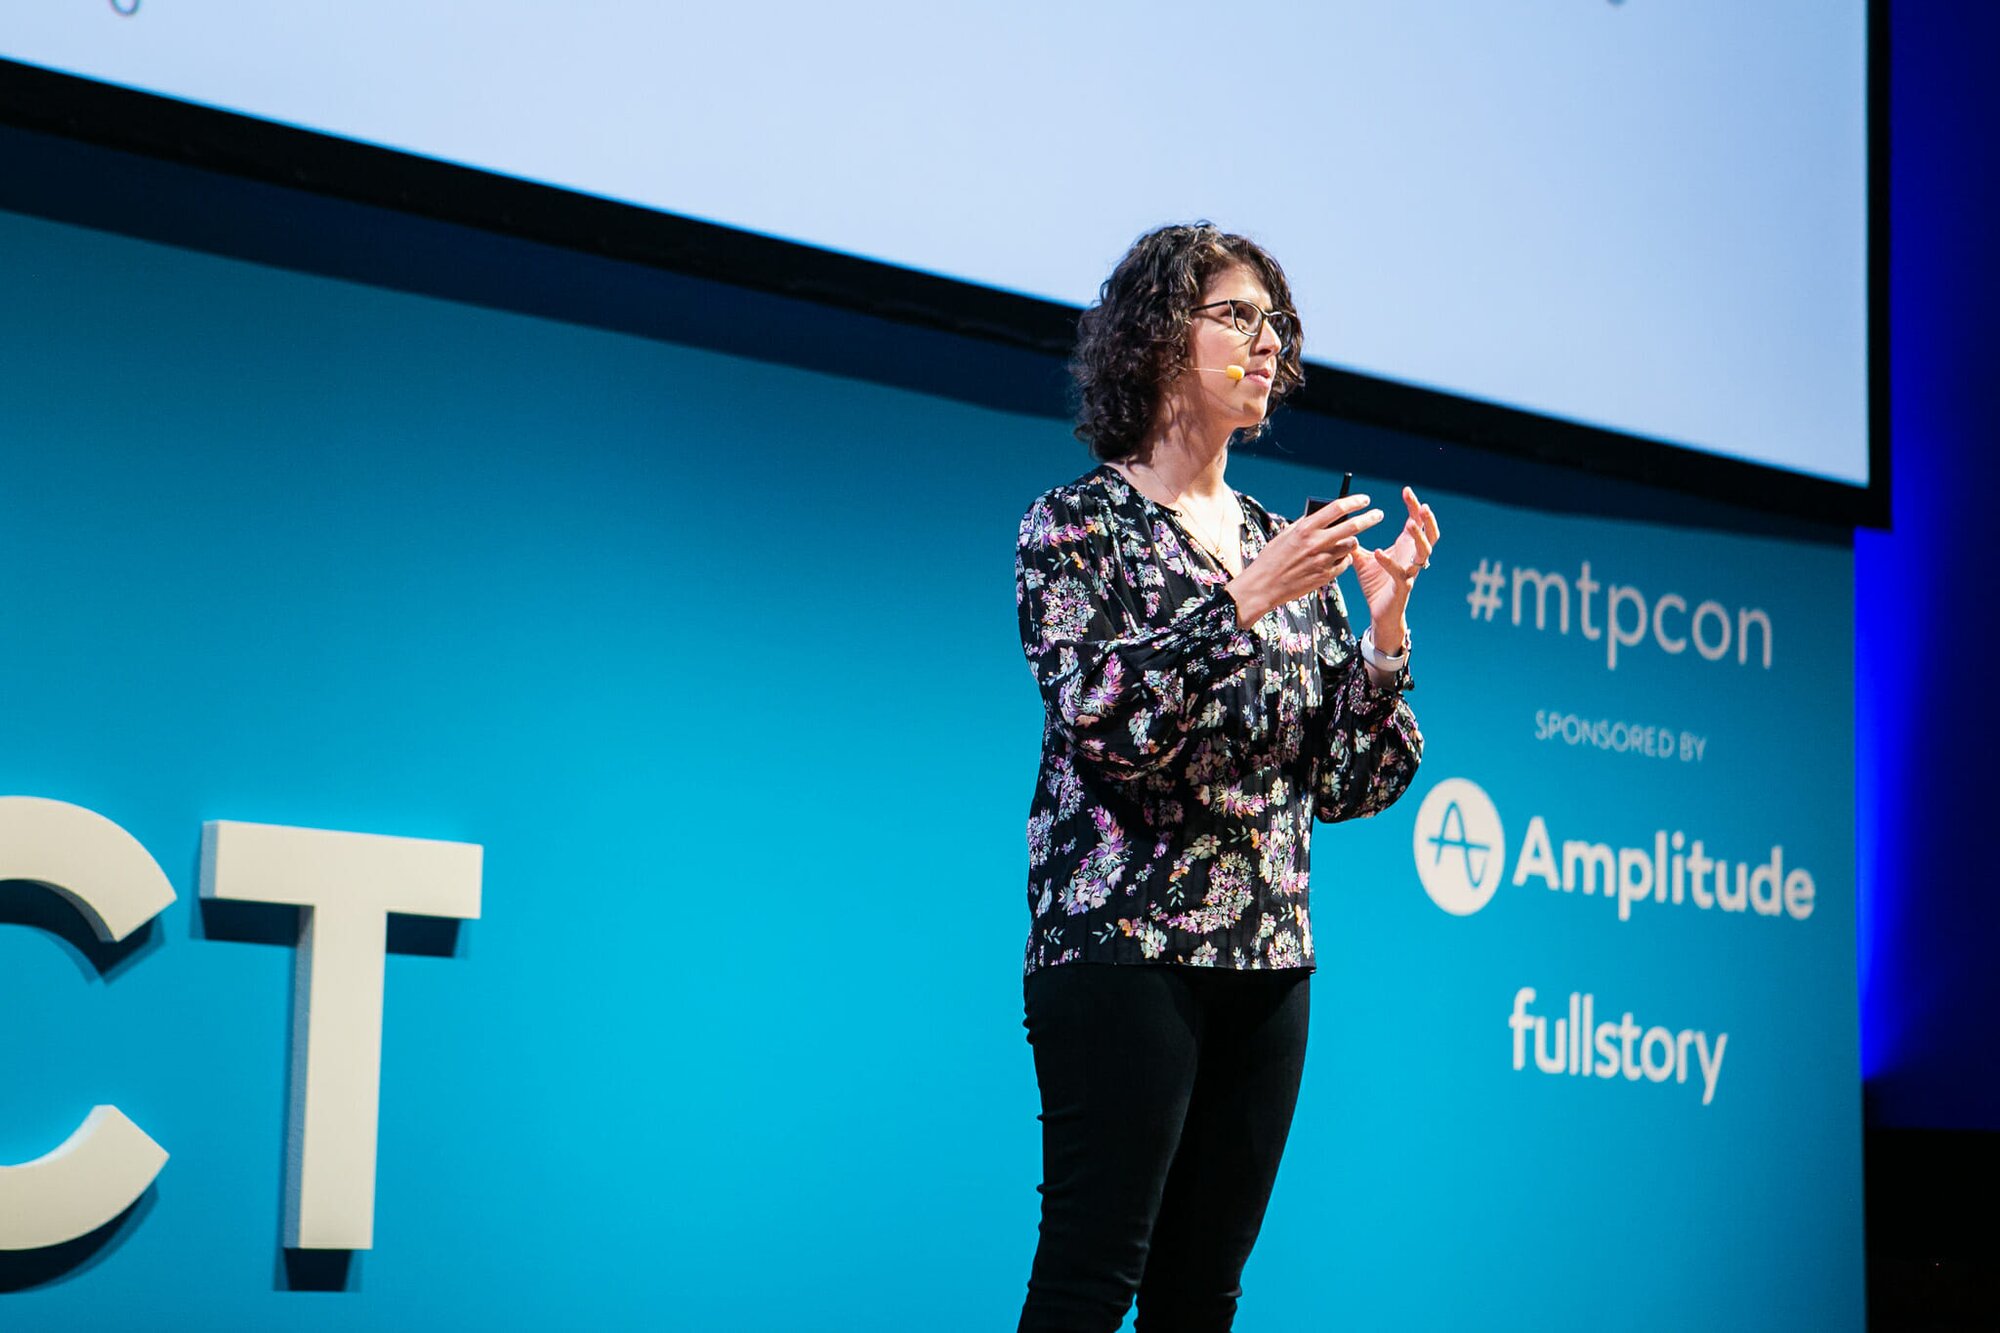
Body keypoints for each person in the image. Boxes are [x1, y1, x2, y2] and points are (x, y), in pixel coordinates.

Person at [1012, 222, 1440, 1332]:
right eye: (1236, 317)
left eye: (1276, 325)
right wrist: (1245, 597)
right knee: (1089, 1275)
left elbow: (1347, 779)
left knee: (1201, 1296)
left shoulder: (1273, 537)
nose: (1266, 345)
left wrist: (1383, 639)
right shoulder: (1074, 526)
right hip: (1121, 951)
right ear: (1159, 336)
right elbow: (1103, 717)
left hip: (1268, 959)